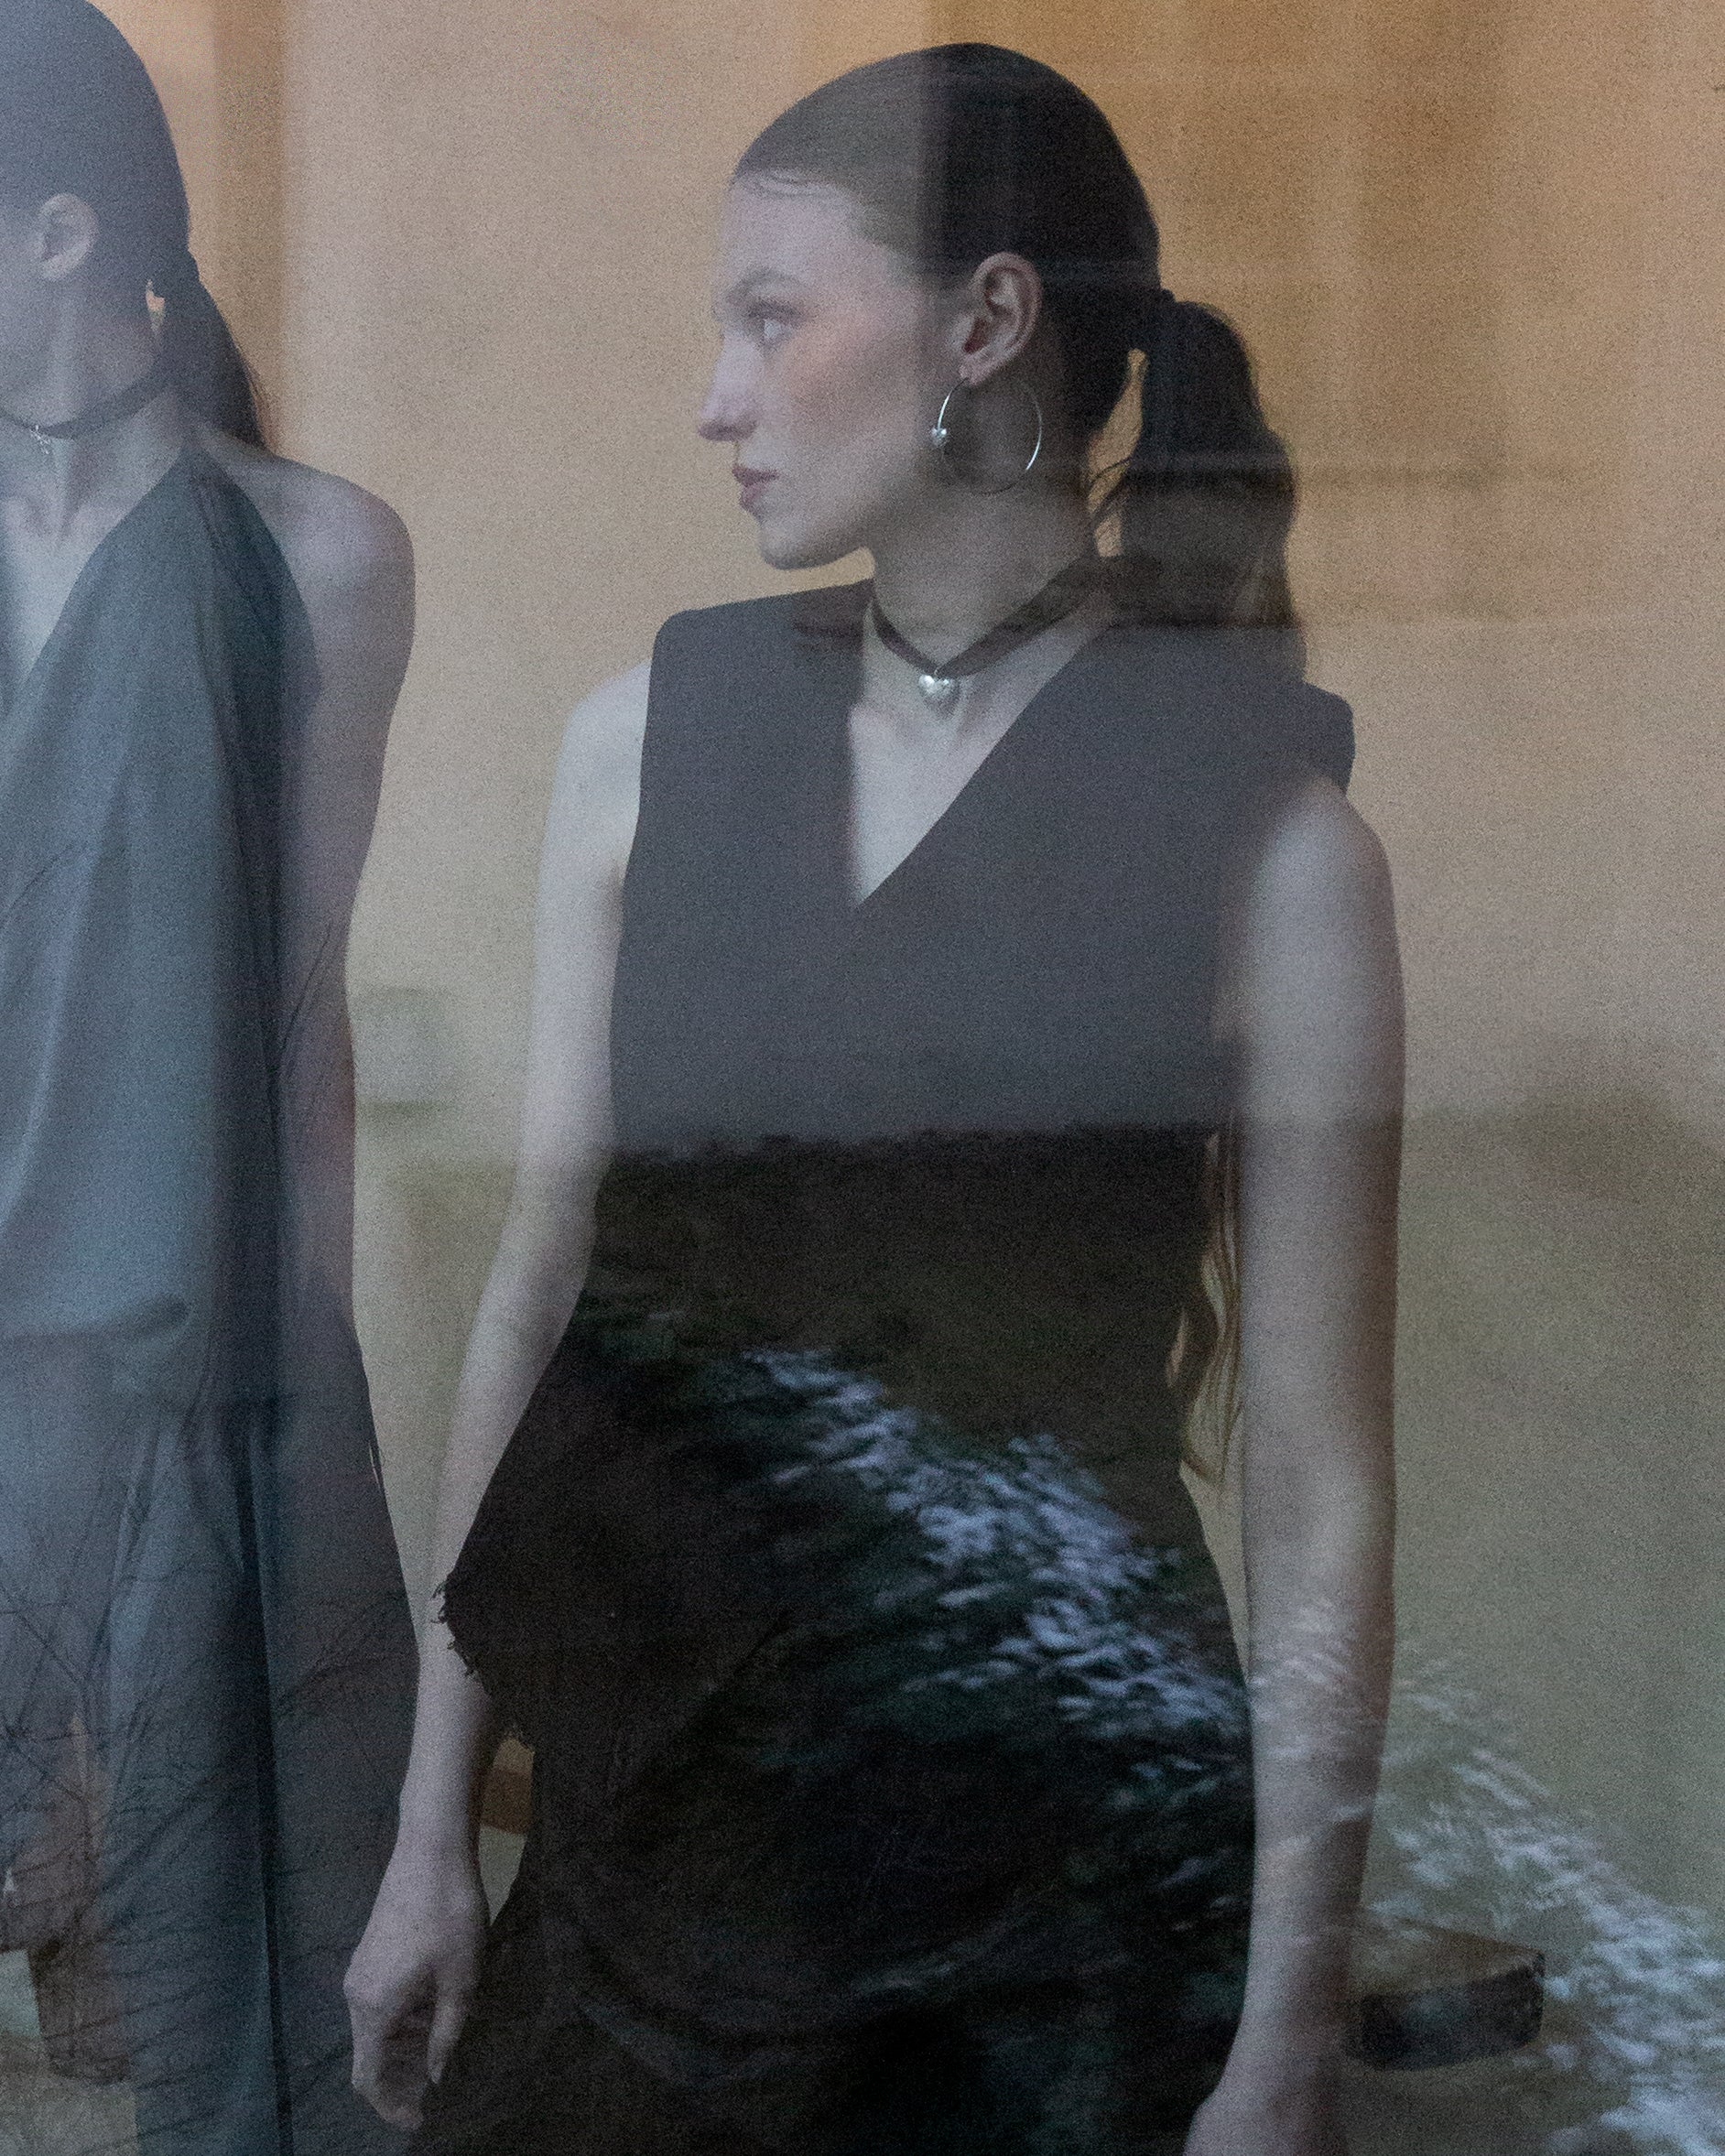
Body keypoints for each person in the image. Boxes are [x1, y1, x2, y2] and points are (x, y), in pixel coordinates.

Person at [348, 42, 1402, 2156]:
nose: (714, 399)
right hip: (664, 1824)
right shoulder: (647, 745)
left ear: (984, 323)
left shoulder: (1271, 843)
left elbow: (1317, 1479)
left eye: (770, 318)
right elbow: (549, 1293)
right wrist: (426, 1827)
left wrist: (1286, 2035)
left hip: (1049, 1881)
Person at [0, 4, 417, 2151]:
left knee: (247, 1998)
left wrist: (287, 1441)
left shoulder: (316, 557)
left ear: (59, 228)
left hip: (185, 1388)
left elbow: (293, 1018)